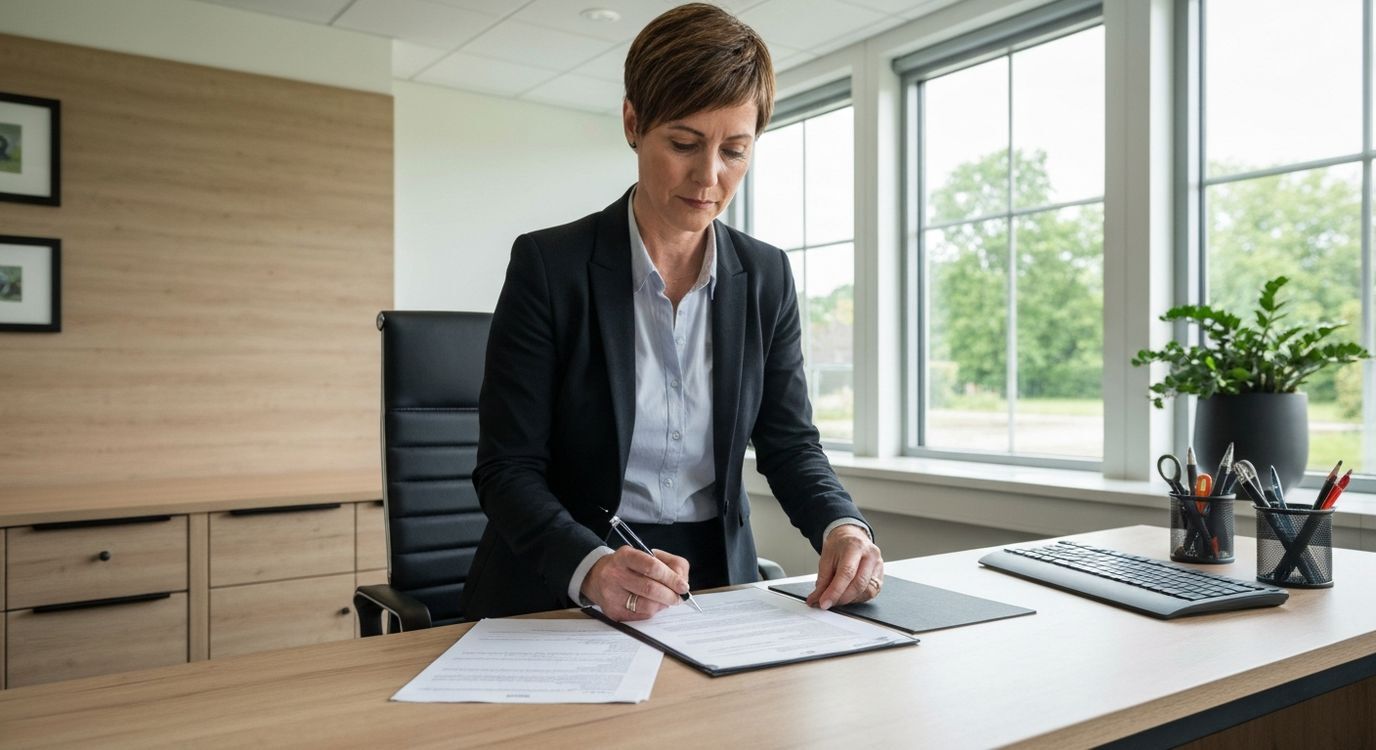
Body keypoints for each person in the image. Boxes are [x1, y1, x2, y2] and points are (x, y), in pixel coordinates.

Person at [461, 3, 883, 622]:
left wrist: (843, 526)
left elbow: (791, 445)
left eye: (735, 151)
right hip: (564, 576)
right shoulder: (550, 266)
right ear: (633, 122)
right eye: (684, 143)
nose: (708, 176)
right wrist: (591, 566)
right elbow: (507, 469)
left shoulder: (765, 277)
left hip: (713, 583)